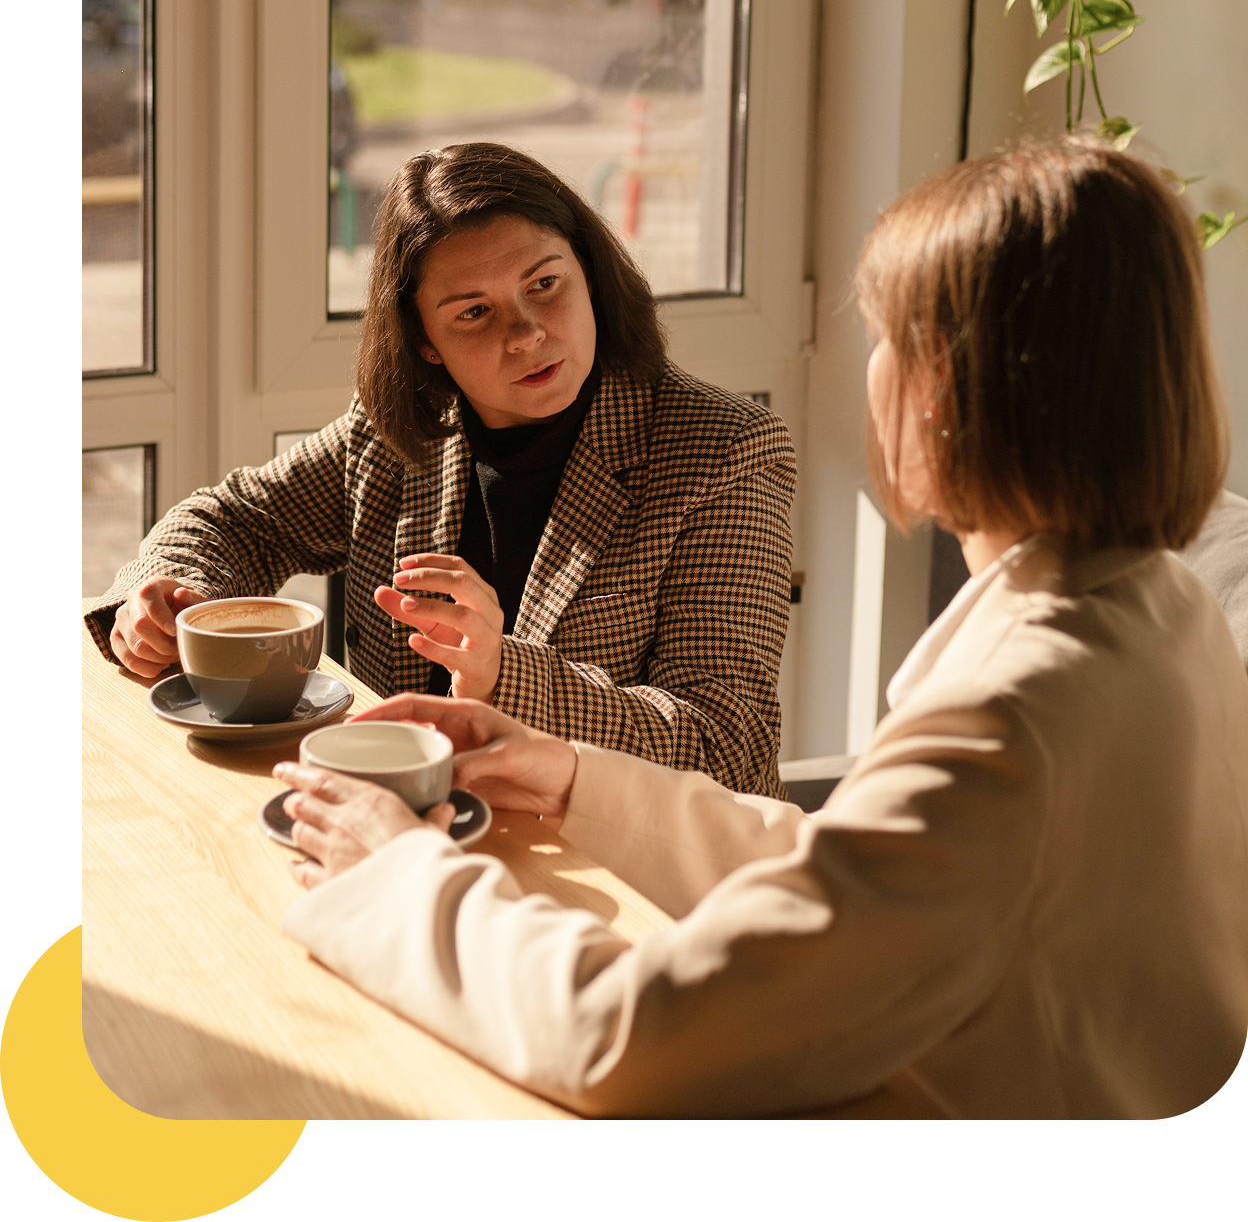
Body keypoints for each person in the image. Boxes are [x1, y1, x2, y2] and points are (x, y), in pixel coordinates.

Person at [275, 140, 1248, 1119]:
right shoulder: (1170, 612)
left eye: (886, 341)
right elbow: (857, 870)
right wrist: (573, 778)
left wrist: (398, 874)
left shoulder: (1005, 726)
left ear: (951, 394)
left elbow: (625, 1034)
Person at [84, 144, 795, 796]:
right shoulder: (404, 433)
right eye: (474, 312)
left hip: (640, 886)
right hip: (420, 835)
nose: (526, 334)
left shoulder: (725, 451)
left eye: (544, 283)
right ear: (424, 341)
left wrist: (500, 674)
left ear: (590, 275)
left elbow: (724, 746)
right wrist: (169, 596)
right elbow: (238, 518)